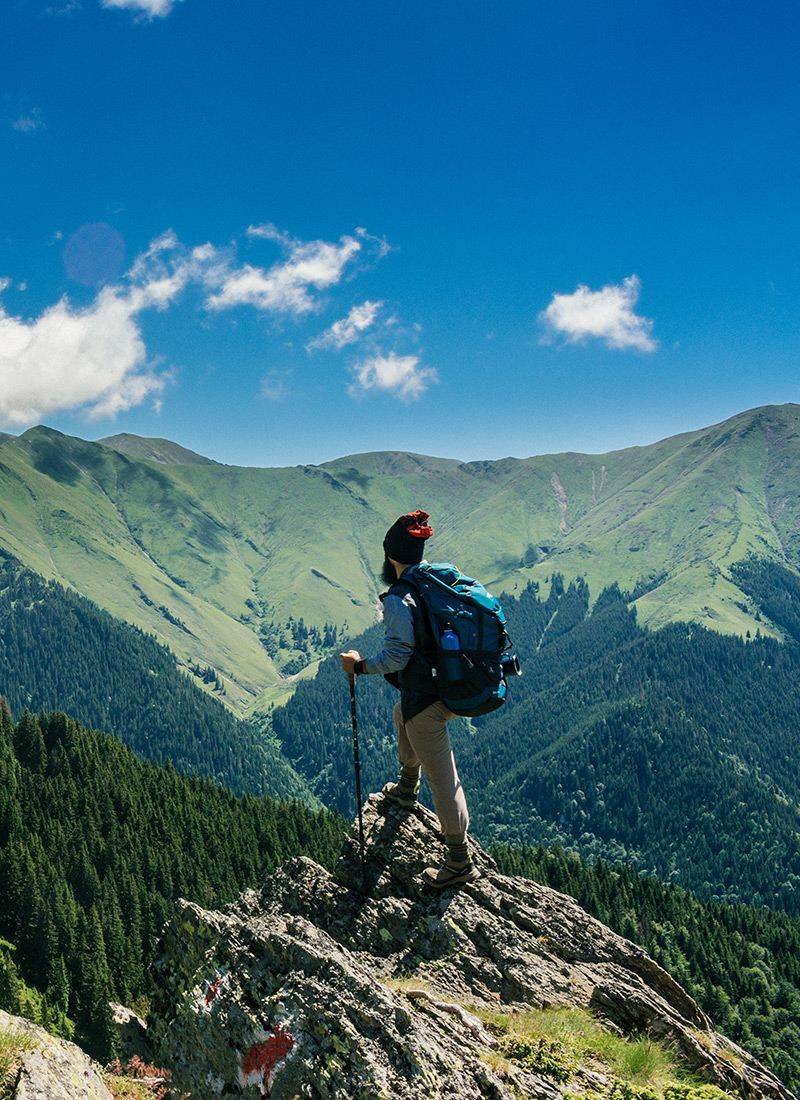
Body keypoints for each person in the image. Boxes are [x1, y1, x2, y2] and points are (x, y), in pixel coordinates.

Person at [340, 510, 479, 888]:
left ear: (391, 557)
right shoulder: (435, 580)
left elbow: (398, 656)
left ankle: (458, 860)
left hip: (429, 698)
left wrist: (360, 666)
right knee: (402, 712)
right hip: (452, 683)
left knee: (443, 777)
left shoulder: (402, 597)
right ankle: (405, 787)